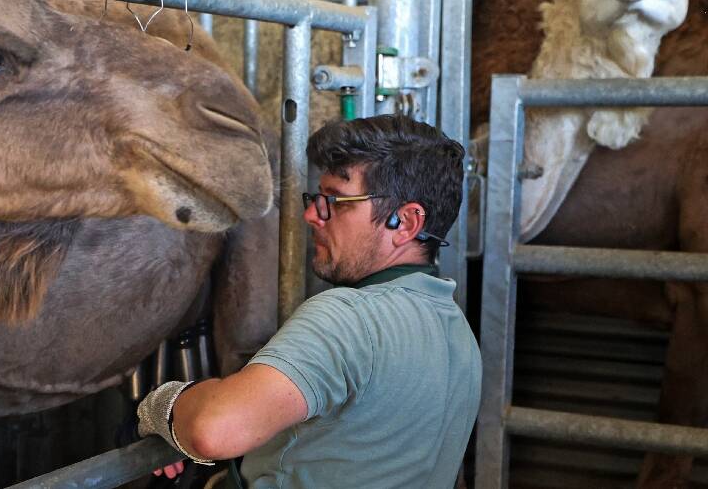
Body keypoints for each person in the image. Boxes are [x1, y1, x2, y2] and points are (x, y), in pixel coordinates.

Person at [137, 114, 482, 488]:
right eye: (317, 198)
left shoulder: (348, 317)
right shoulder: (459, 336)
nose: (311, 214)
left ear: (407, 222)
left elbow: (213, 430)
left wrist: (160, 406)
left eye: (336, 200)